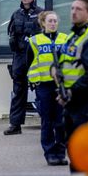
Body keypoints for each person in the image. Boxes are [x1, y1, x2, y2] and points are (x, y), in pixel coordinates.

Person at [57, 0, 88, 172]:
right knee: (73, 152)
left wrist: (71, 92)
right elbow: (66, 64)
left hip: (87, 102)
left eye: (78, 9)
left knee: (85, 154)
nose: (73, 12)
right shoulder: (73, 35)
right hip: (72, 102)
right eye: (72, 8)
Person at [26, 11, 68, 165]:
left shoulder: (65, 39)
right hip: (43, 86)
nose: (52, 24)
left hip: (61, 86)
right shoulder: (34, 41)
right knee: (47, 121)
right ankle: (49, 153)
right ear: (43, 23)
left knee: (61, 121)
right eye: (49, 21)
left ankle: (61, 152)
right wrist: (32, 80)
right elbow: (28, 63)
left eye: (55, 21)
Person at [4, 0, 44, 135]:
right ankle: (15, 125)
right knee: (18, 91)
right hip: (20, 57)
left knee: (42, 91)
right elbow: (12, 35)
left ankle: (47, 123)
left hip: (37, 58)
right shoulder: (16, 14)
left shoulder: (41, 14)